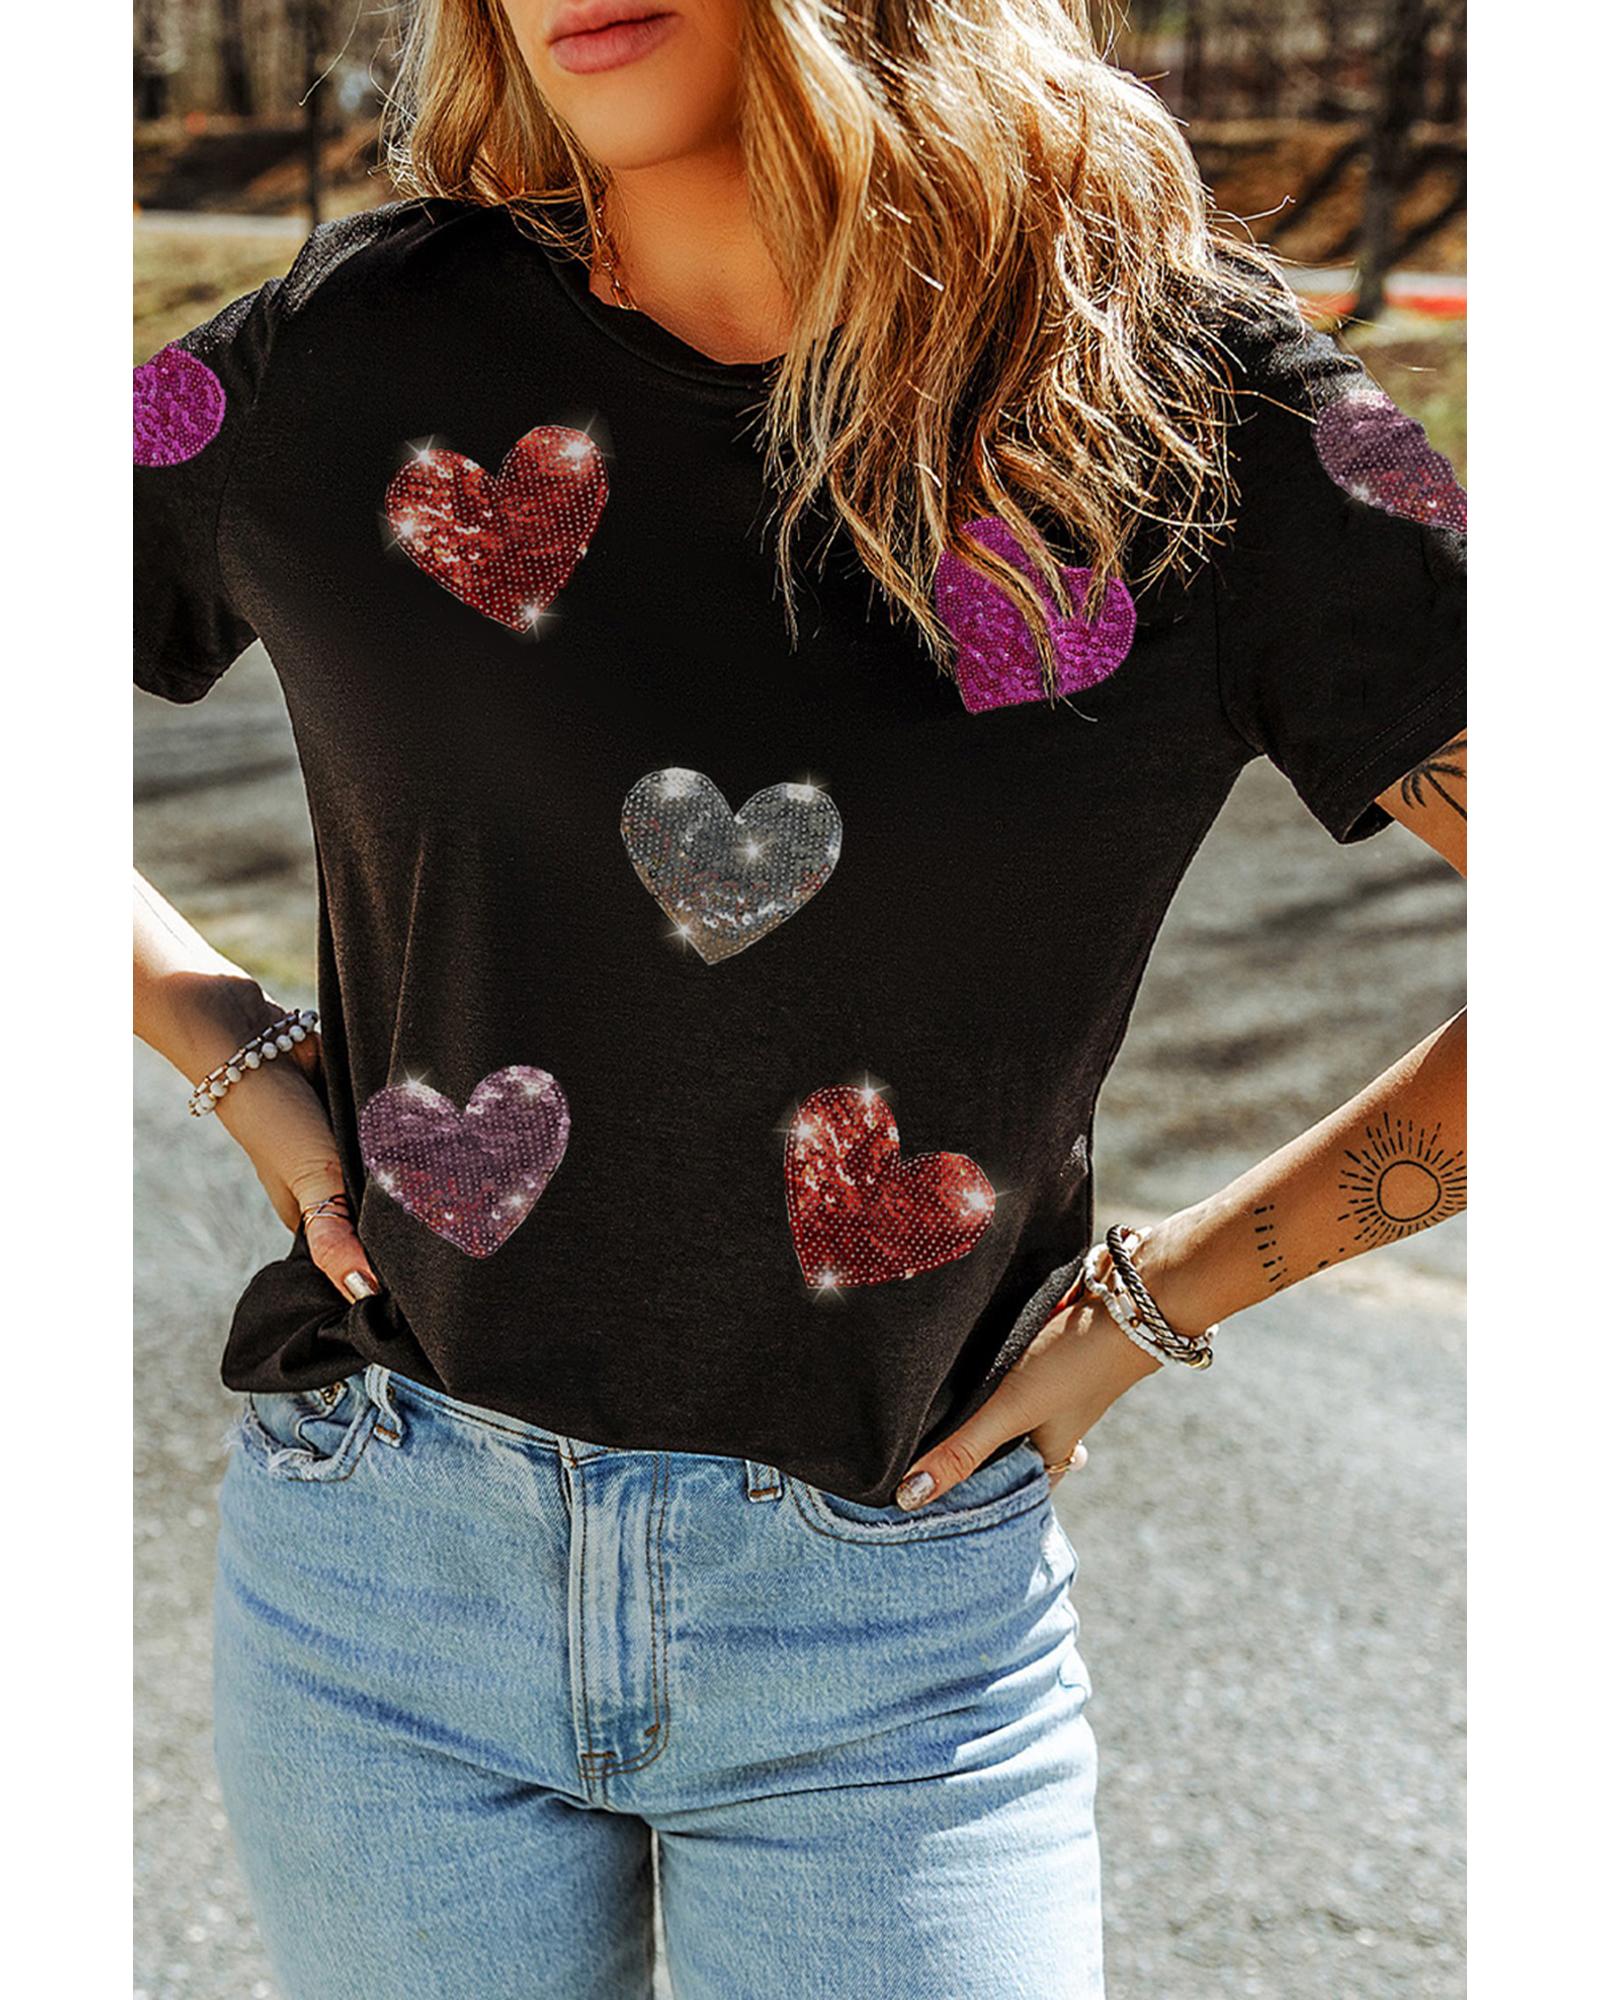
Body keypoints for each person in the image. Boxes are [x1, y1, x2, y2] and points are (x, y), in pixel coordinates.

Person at [131, 3, 1467, 1995]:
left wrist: (1166, 1297)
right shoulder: (355, 346)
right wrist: (218, 1037)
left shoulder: (1202, 409)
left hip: (890, 1636)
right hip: (377, 1575)